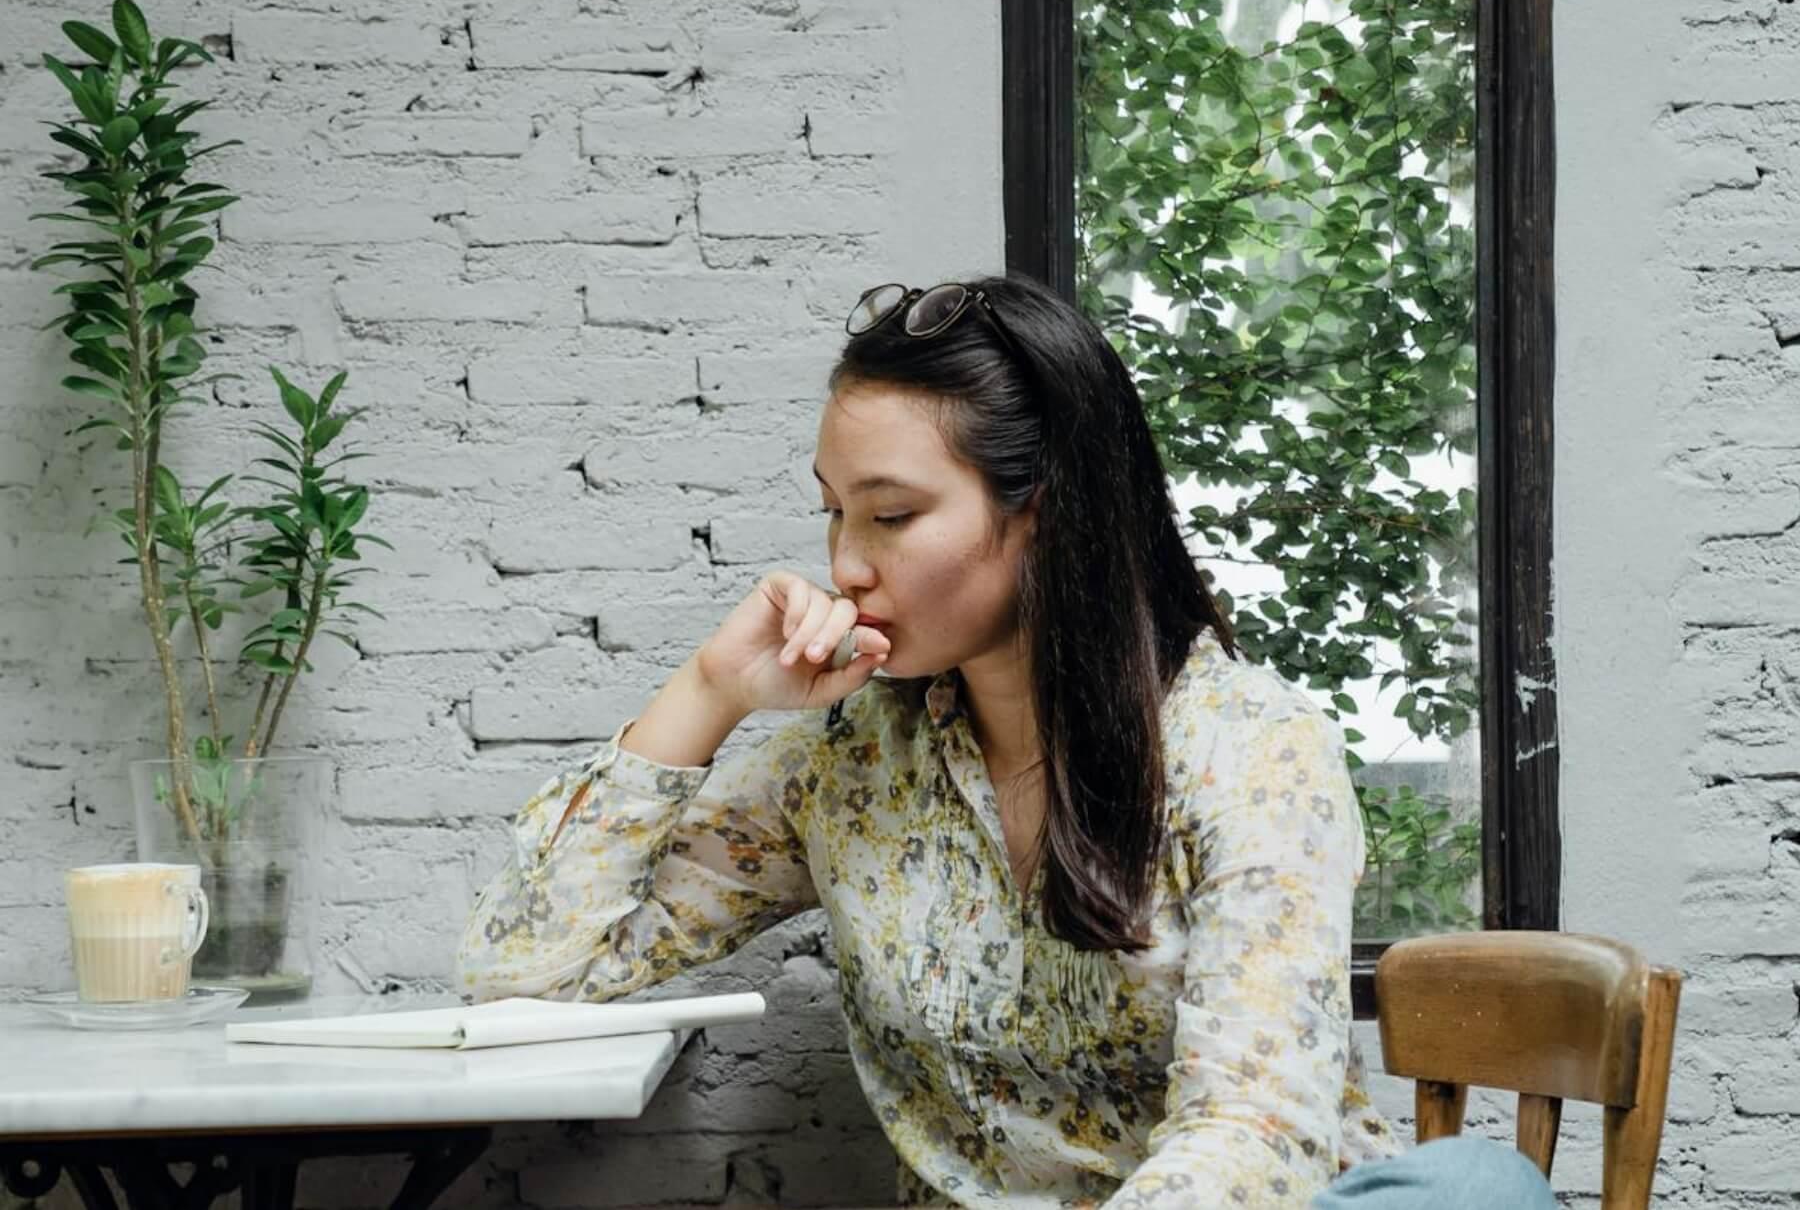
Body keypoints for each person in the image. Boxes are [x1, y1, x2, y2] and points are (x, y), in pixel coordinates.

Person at [456, 275, 1555, 1209]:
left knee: (1479, 1190)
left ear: (1046, 511)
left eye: (891, 516)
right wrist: (709, 693)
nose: (845, 563)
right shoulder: (845, 763)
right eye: (834, 511)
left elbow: (1252, 1132)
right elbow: (524, 974)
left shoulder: (1249, 750)